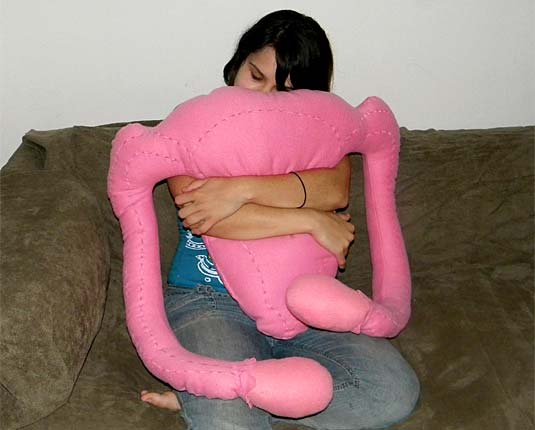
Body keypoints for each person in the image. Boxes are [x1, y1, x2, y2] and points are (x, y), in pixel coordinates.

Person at [140, 9, 420, 430]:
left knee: (392, 393)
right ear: (238, 64)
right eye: (256, 76)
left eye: (285, 90)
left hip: (305, 303)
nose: (265, 97)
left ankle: (239, 396)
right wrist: (310, 220)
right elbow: (207, 218)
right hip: (209, 300)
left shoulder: (320, 134)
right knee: (229, 421)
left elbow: (335, 189)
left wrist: (239, 190)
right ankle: (225, 400)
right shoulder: (198, 125)